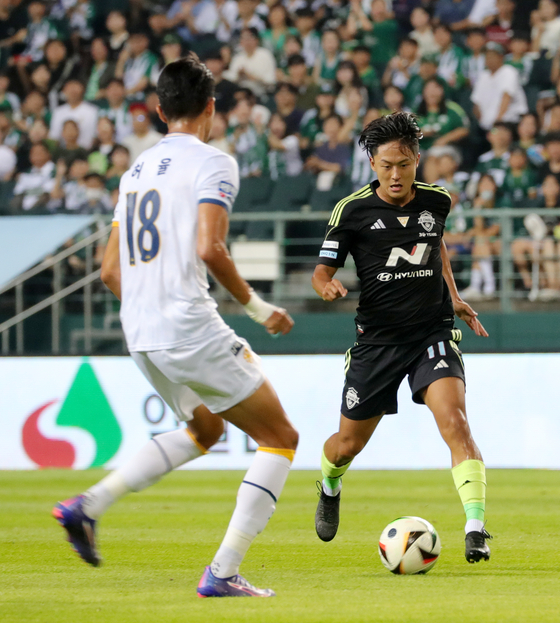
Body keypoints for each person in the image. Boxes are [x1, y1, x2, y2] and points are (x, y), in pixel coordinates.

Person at [53, 54, 298, 598]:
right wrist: (259, 309)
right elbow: (210, 247)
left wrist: (152, 304)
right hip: (189, 328)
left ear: (160, 112)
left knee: (206, 430)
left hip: (140, 334)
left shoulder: (134, 171)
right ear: (211, 107)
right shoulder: (214, 163)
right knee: (280, 438)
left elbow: (109, 270)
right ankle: (224, 572)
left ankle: (85, 506)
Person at [312, 111, 492, 564]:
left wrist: (451, 295)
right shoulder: (351, 211)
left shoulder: (437, 201)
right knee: (345, 446)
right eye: (388, 165)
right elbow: (321, 271)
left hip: (431, 332)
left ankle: (475, 528)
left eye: (405, 164)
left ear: (417, 160)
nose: (396, 174)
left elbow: (438, 246)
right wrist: (327, 285)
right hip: (376, 344)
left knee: (456, 423)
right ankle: (330, 483)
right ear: (373, 163)